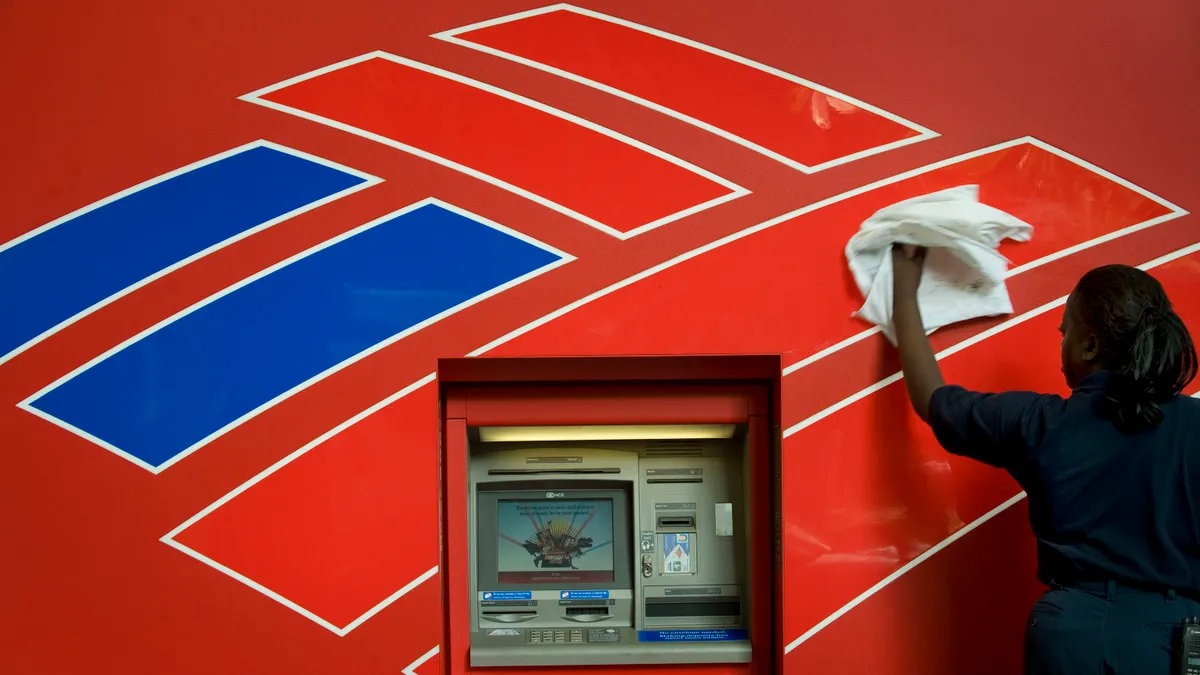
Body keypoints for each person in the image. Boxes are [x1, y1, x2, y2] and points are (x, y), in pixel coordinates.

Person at [890, 245, 1200, 674]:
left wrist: (903, 290)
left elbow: (931, 401)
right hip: (1173, 638)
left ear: (1090, 344)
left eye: (1064, 331)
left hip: (1070, 634)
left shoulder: (1042, 423)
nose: (1062, 340)